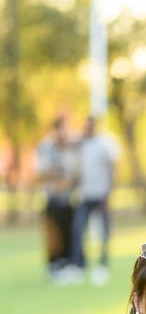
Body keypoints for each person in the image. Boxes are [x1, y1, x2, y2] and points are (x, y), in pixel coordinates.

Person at [70, 115, 119, 285]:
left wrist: (109, 192)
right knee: (78, 229)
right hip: (85, 195)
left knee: (104, 232)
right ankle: (78, 265)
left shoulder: (105, 143)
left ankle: (102, 265)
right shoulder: (81, 144)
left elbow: (112, 168)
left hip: (101, 194)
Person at [36, 115, 78, 282]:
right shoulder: (46, 147)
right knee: (54, 234)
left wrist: (65, 183)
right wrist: (57, 179)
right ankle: (54, 266)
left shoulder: (70, 148)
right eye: (63, 128)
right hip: (52, 199)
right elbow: (43, 173)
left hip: (67, 199)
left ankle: (67, 265)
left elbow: (73, 174)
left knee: (69, 232)